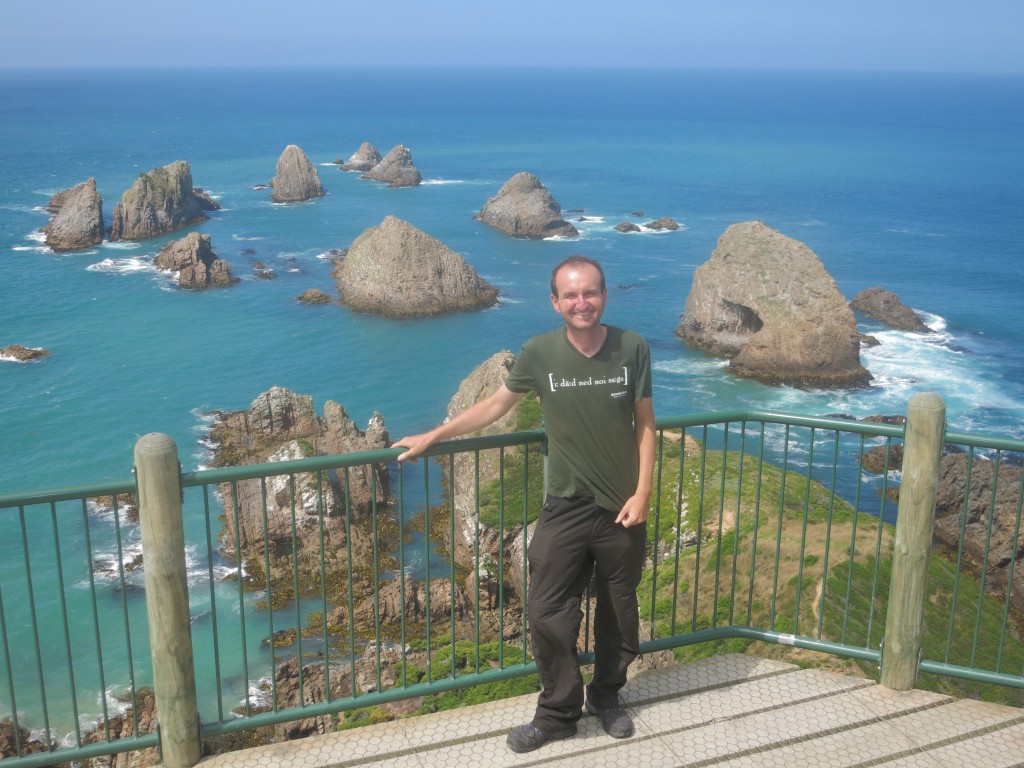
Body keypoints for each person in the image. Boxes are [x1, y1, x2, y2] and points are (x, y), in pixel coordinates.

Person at [394, 255, 655, 753]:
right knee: (545, 607)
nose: (583, 303)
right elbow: (494, 405)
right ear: (555, 302)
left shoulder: (632, 348)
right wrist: (435, 434)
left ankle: (607, 699)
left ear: (604, 295)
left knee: (619, 609)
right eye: (572, 295)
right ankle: (558, 712)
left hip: (622, 505)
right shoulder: (539, 353)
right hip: (565, 503)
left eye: (591, 292)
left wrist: (643, 492)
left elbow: (645, 423)